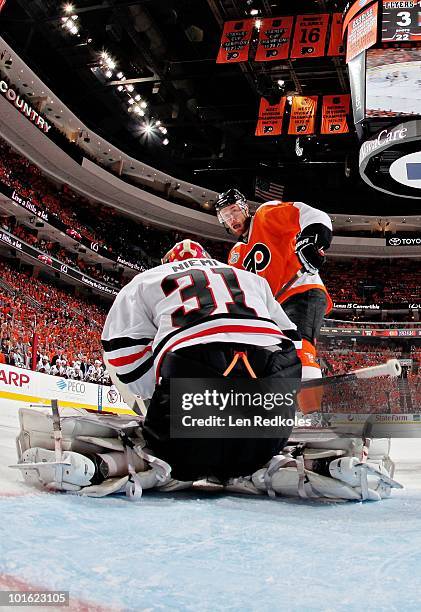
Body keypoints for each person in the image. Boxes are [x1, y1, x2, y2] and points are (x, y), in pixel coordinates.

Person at [13, 241, 400, 502]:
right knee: (251, 460)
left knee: (175, 457)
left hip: (197, 387)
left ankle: (111, 465)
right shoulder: (252, 280)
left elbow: (123, 356)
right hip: (272, 393)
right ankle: (317, 465)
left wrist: (155, 401)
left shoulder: (147, 280)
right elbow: (293, 344)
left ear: (171, 264)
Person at [215, 188, 333, 380]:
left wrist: (312, 240)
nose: (231, 218)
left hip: (301, 290)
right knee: (273, 356)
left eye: (234, 210)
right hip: (274, 308)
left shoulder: (265, 215)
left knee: (299, 347)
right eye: (225, 215)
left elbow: (310, 214)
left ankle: (310, 402)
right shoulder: (235, 255)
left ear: (245, 208)